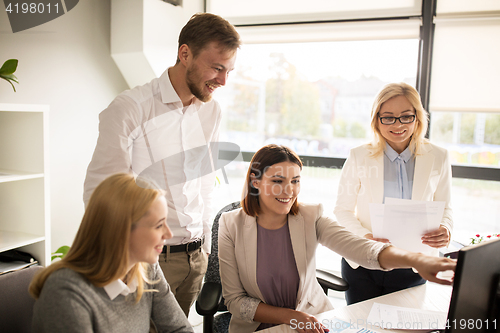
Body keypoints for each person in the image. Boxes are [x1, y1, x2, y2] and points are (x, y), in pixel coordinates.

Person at [83, 13, 241, 315]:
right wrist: (125, 261)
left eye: (229, 71)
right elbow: (99, 192)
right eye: (217, 68)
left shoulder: (211, 112)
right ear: (185, 54)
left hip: (195, 258)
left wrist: (206, 245)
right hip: (147, 260)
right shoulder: (130, 108)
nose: (222, 81)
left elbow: (206, 180)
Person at [218, 144, 456, 333]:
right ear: (255, 182)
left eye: (295, 181)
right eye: (277, 181)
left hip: (316, 321)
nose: (289, 191)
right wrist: (293, 318)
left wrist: (417, 260)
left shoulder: (311, 216)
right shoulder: (230, 224)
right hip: (261, 327)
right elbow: (236, 302)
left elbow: (363, 249)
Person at [334, 82, 453, 305]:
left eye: (406, 116)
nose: (397, 124)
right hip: (364, 262)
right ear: (376, 119)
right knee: (362, 327)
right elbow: (342, 210)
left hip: (414, 264)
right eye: (388, 117)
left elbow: (445, 206)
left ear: (417, 118)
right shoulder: (359, 156)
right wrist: (366, 238)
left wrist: (445, 228)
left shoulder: (439, 156)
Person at [29, 173, 193, 332]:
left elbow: (179, 329)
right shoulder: (65, 295)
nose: (169, 234)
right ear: (121, 231)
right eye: (159, 225)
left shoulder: (146, 269)